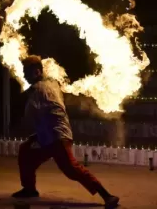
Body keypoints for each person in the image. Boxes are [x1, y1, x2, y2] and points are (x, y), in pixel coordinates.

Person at [12, 55, 119, 207]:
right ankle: (29, 189)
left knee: (72, 169)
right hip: (47, 136)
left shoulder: (38, 89)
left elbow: (29, 115)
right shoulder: (50, 84)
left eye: (26, 72)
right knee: (26, 151)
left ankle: (107, 196)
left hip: (57, 136)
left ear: (36, 72)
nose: (24, 76)